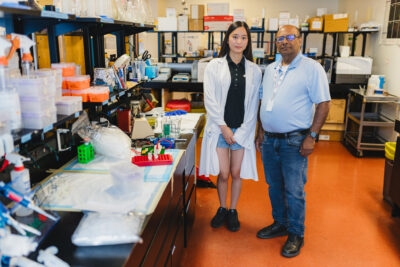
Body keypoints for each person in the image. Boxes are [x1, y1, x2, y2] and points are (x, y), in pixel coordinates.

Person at [255, 24, 331, 257]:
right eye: (280, 38)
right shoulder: (270, 69)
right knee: (274, 186)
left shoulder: (312, 69)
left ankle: (296, 232)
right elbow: (262, 100)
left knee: (294, 190)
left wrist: (312, 136)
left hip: (294, 140)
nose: (284, 41)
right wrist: (260, 130)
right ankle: (280, 223)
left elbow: (324, 103)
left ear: (300, 40)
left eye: (289, 37)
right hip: (269, 139)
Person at [198, 21, 262, 232]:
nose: (239, 41)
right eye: (235, 36)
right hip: (219, 129)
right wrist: (224, 127)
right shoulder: (213, 67)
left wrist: (243, 131)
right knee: (223, 173)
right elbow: (210, 100)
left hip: (241, 130)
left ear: (248, 42)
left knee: (236, 172)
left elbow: (253, 104)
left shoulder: (254, 70)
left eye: (243, 37)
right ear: (228, 38)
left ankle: (233, 210)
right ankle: (222, 207)